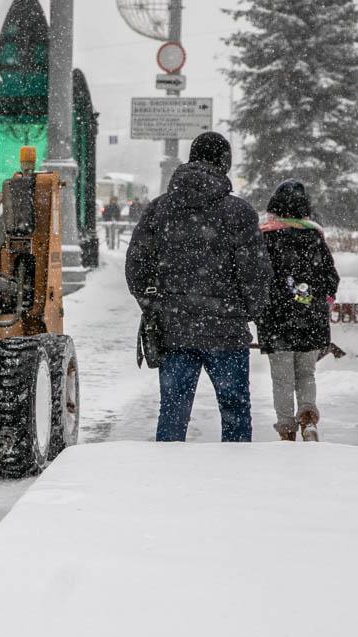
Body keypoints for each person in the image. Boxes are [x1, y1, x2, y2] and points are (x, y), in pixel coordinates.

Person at [126, 131, 273, 442]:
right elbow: (256, 272)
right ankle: (235, 468)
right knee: (235, 411)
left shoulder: (159, 209)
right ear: (225, 163)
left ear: (191, 159)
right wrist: (247, 310)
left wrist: (154, 304)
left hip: (173, 328)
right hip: (227, 331)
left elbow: (137, 266)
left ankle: (168, 468)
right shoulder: (239, 212)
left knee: (173, 412)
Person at [255, 180, 340, 441]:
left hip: (275, 319)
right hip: (310, 317)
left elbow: (257, 278)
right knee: (306, 373)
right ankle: (308, 418)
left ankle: (286, 429)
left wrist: (262, 306)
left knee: (282, 378)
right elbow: (331, 278)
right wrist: (317, 301)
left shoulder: (265, 237)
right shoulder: (314, 237)